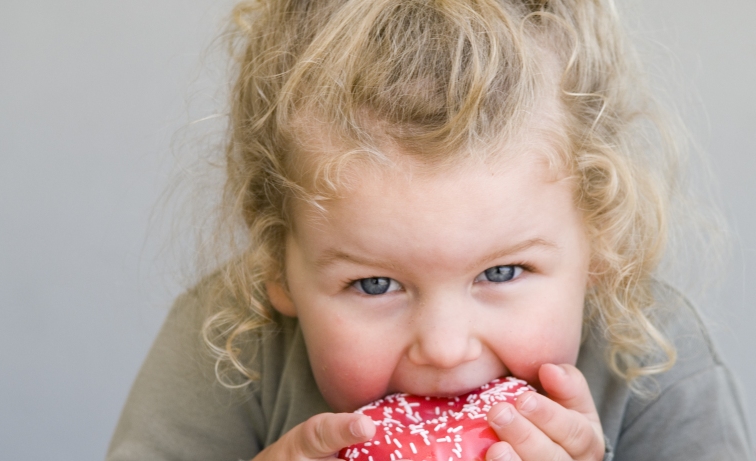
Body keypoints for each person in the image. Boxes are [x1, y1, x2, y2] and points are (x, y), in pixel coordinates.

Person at [107, 0, 753, 460]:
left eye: (501, 272)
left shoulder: (653, 364)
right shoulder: (229, 344)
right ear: (277, 264)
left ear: (601, 244)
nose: (444, 348)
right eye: (375, 283)